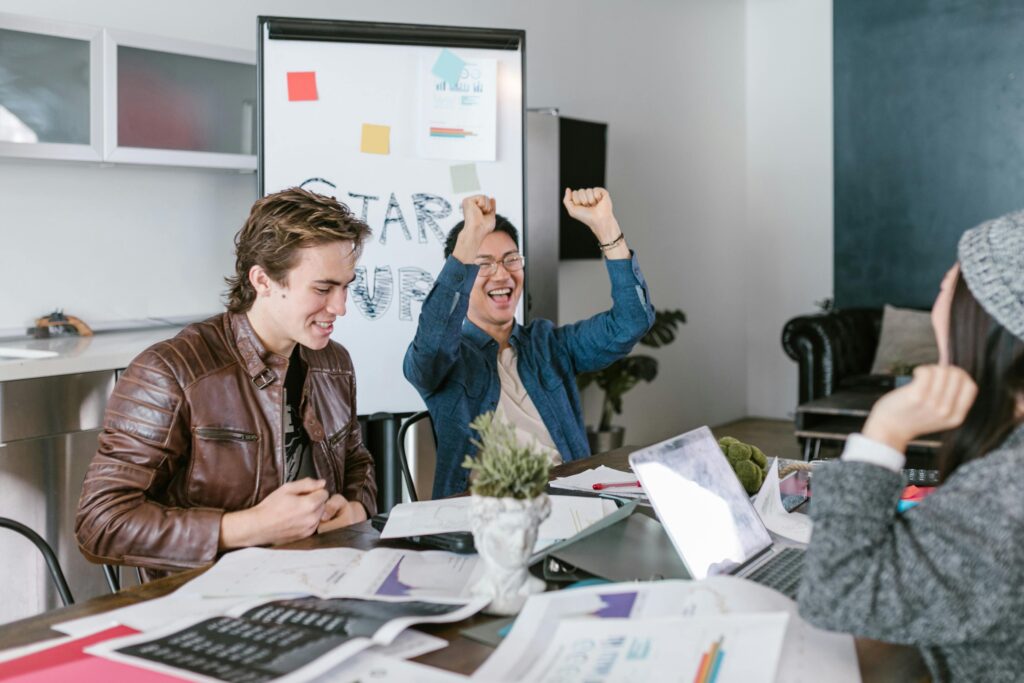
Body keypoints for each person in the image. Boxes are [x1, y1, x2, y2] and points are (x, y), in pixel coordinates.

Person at [76, 188, 378, 580]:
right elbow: (100, 524)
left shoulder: (333, 362)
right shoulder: (171, 370)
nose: (340, 307)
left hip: (316, 584)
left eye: (346, 286)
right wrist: (249, 527)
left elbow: (355, 460)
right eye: (323, 289)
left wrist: (356, 508)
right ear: (263, 280)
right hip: (201, 605)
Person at [797, 210, 1024, 682]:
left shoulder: (1005, 490)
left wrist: (882, 434)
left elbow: (836, 595)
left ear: (981, 313)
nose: (936, 302)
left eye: (946, 285)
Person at [404, 188, 654, 498]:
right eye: (483, 265)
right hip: (489, 517)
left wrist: (605, 226)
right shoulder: (445, 361)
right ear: (464, 277)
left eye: (511, 260)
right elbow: (432, 341)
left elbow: (631, 322)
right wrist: (469, 238)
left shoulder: (547, 343)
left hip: (571, 500)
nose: (502, 274)